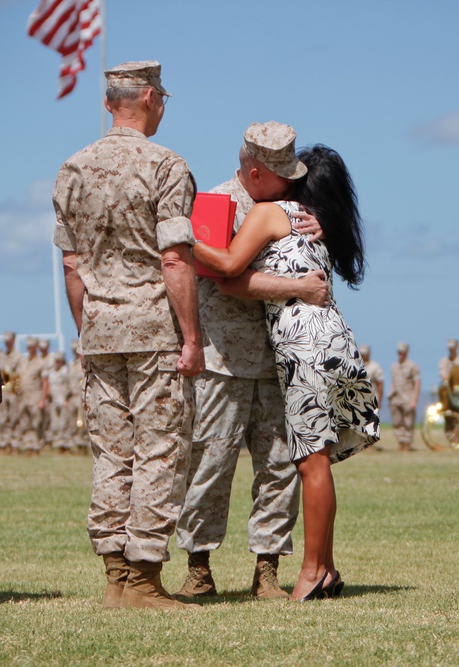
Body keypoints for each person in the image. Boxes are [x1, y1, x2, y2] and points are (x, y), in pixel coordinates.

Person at [194, 144, 380, 601]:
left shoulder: (273, 212)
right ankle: (326, 569)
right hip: (328, 337)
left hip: (301, 343)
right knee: (313, 457)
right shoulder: (313, 222)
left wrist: (178, 235)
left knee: (309, 461)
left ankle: (313, 573)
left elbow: (229, 268)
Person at [53, 60, 205, 611]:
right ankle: (142, 579)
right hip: (152, 327)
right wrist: (190, 335)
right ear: (148, 97)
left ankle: (116, 576)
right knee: (159, 449)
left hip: (99, 327)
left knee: (111, 454)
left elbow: (72, 266)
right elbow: (174, 259)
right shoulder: (165, 167)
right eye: (163, 97)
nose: (164, 106)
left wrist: (87, 327)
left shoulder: (73, 167)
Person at [174, 121, 330, 601]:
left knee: (279, 465)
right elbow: (223, 275)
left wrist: (322, 228)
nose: (292, 181)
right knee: (210, 463)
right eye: (282, 174)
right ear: (256, 171)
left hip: (280, 356)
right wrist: (298, 288)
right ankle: (199, 566)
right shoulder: (214, 205)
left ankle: (267, 569)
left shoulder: (292, 205)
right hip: (224, 356)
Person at [14, 337, 44, 456]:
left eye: (32, 346)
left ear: (36, 347)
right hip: (23, 397)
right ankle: (28, 446)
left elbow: (45, 382)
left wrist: (43, 399)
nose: (29, 349)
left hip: (35, 396)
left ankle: (36, 446)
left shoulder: (41, 362)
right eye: (28, 346)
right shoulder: (23, 361)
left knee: (36, 422)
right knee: (24, 422)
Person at [389, 342, 420, 452]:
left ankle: (407, 443)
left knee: (408, 422)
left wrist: (414, 399)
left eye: (402, 352)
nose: (400, 354)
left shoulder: (412, 366)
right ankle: (400, 442)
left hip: (407, 398)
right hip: (396, 398)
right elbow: (394, 381)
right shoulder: (394, 366)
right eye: (399, 352)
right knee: (397, 421)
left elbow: (417, 383)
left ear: (407, 352)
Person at [42, 352, 74, 453]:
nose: (57, 362)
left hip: (63, 399)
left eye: (59, 360)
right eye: (56, 360)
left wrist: (67, 399)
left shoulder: (65, 371)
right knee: (55, 423)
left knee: (64, 423)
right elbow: (48, 385)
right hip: (54, 401)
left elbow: (69, 386)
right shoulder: (51, 372)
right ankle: (57, 443)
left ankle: (66, 444)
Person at [0, 330, 21, 453]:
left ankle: (14, 444)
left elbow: (19, 374)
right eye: (6, 341)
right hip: (3, 391)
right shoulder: (1, 355)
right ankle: (3, 443)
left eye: (9, 341)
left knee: (14, 418)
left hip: (13, 392)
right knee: (2, 419)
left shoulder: (18, 356)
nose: (7, 343)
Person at [438, 338, 459, 420]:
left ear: (457, 347)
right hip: (448, 398)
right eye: (449, 348)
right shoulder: (443, 362)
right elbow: (443, 376)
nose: (451, 349)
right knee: (449, 422)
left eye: (452, 347)